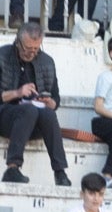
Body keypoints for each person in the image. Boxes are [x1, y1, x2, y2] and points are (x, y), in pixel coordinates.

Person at [0, 23, 67, 188]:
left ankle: (60, 172)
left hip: (33, 122)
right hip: (5, 117)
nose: (32, 53)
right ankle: (12, 168)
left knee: (48, 114)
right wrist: (17, 93)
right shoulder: (2, 56)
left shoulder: (46, 61)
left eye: (36, 49)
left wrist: (51, 103)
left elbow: (55, 96)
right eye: (28, 48)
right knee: (28, 110)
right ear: (17, 42)